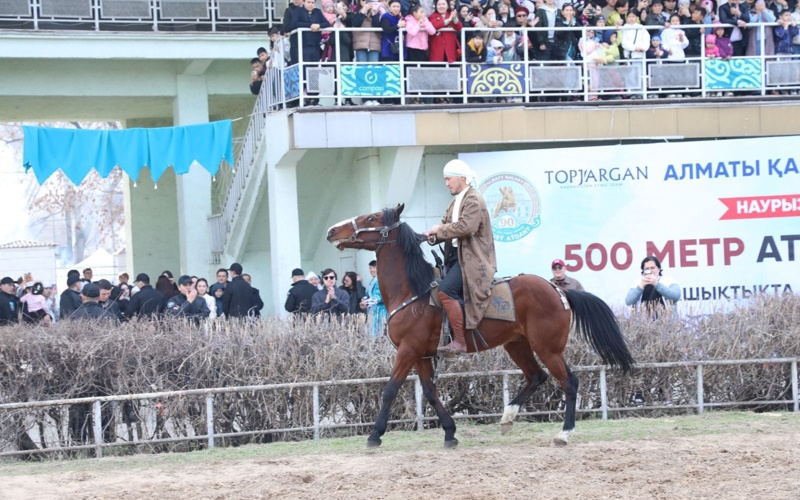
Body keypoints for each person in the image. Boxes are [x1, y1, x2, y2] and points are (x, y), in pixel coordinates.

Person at [423, 159, 497, 355]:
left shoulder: (474, 200)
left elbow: (466, 227)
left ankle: (460, 342)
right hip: (456, 258)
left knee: (446, 291)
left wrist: (438, 230)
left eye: (449, 179)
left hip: (473, 260)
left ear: (462, 178)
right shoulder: (455, 202)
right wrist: (431, 236)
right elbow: (445, 228)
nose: (446, 183)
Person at [361, 260, 388, 337]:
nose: (372, 270)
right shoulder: (374, 280)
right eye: (370, 268)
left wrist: (367, 303)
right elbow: (368, 295)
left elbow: (379, 296)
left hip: (380, 311)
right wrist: (364, 300)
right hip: (373, 311)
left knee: (379, 333)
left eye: (374, 268)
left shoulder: (381, 280)